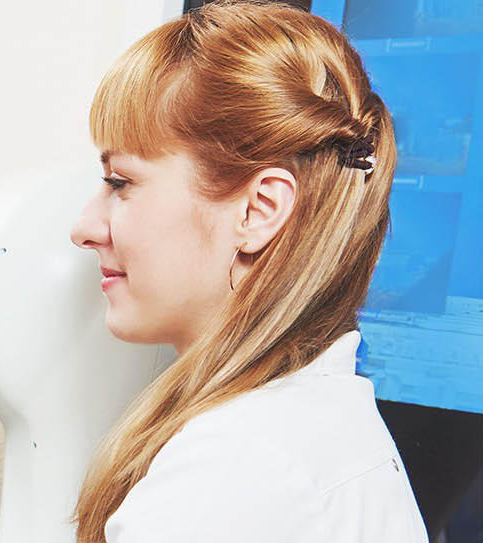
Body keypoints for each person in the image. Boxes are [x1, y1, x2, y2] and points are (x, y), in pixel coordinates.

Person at [69, 2, 428, 542]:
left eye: (121, 182)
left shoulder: (235, 472)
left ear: (258, 211)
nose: (84, 227)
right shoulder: (300, 429)